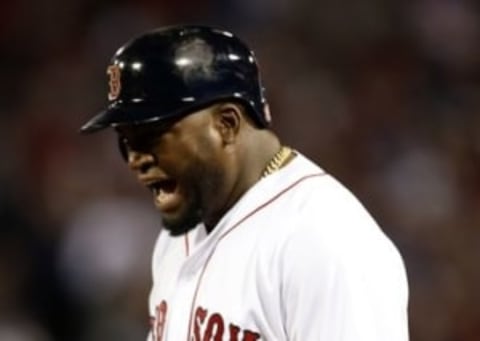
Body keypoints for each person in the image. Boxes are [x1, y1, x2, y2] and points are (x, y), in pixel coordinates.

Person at [80, 25, 409, 341]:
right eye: (126, 141)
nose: (137, 160)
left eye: (153, 138)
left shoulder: (324, 241)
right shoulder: (178, 232)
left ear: (226, 124)